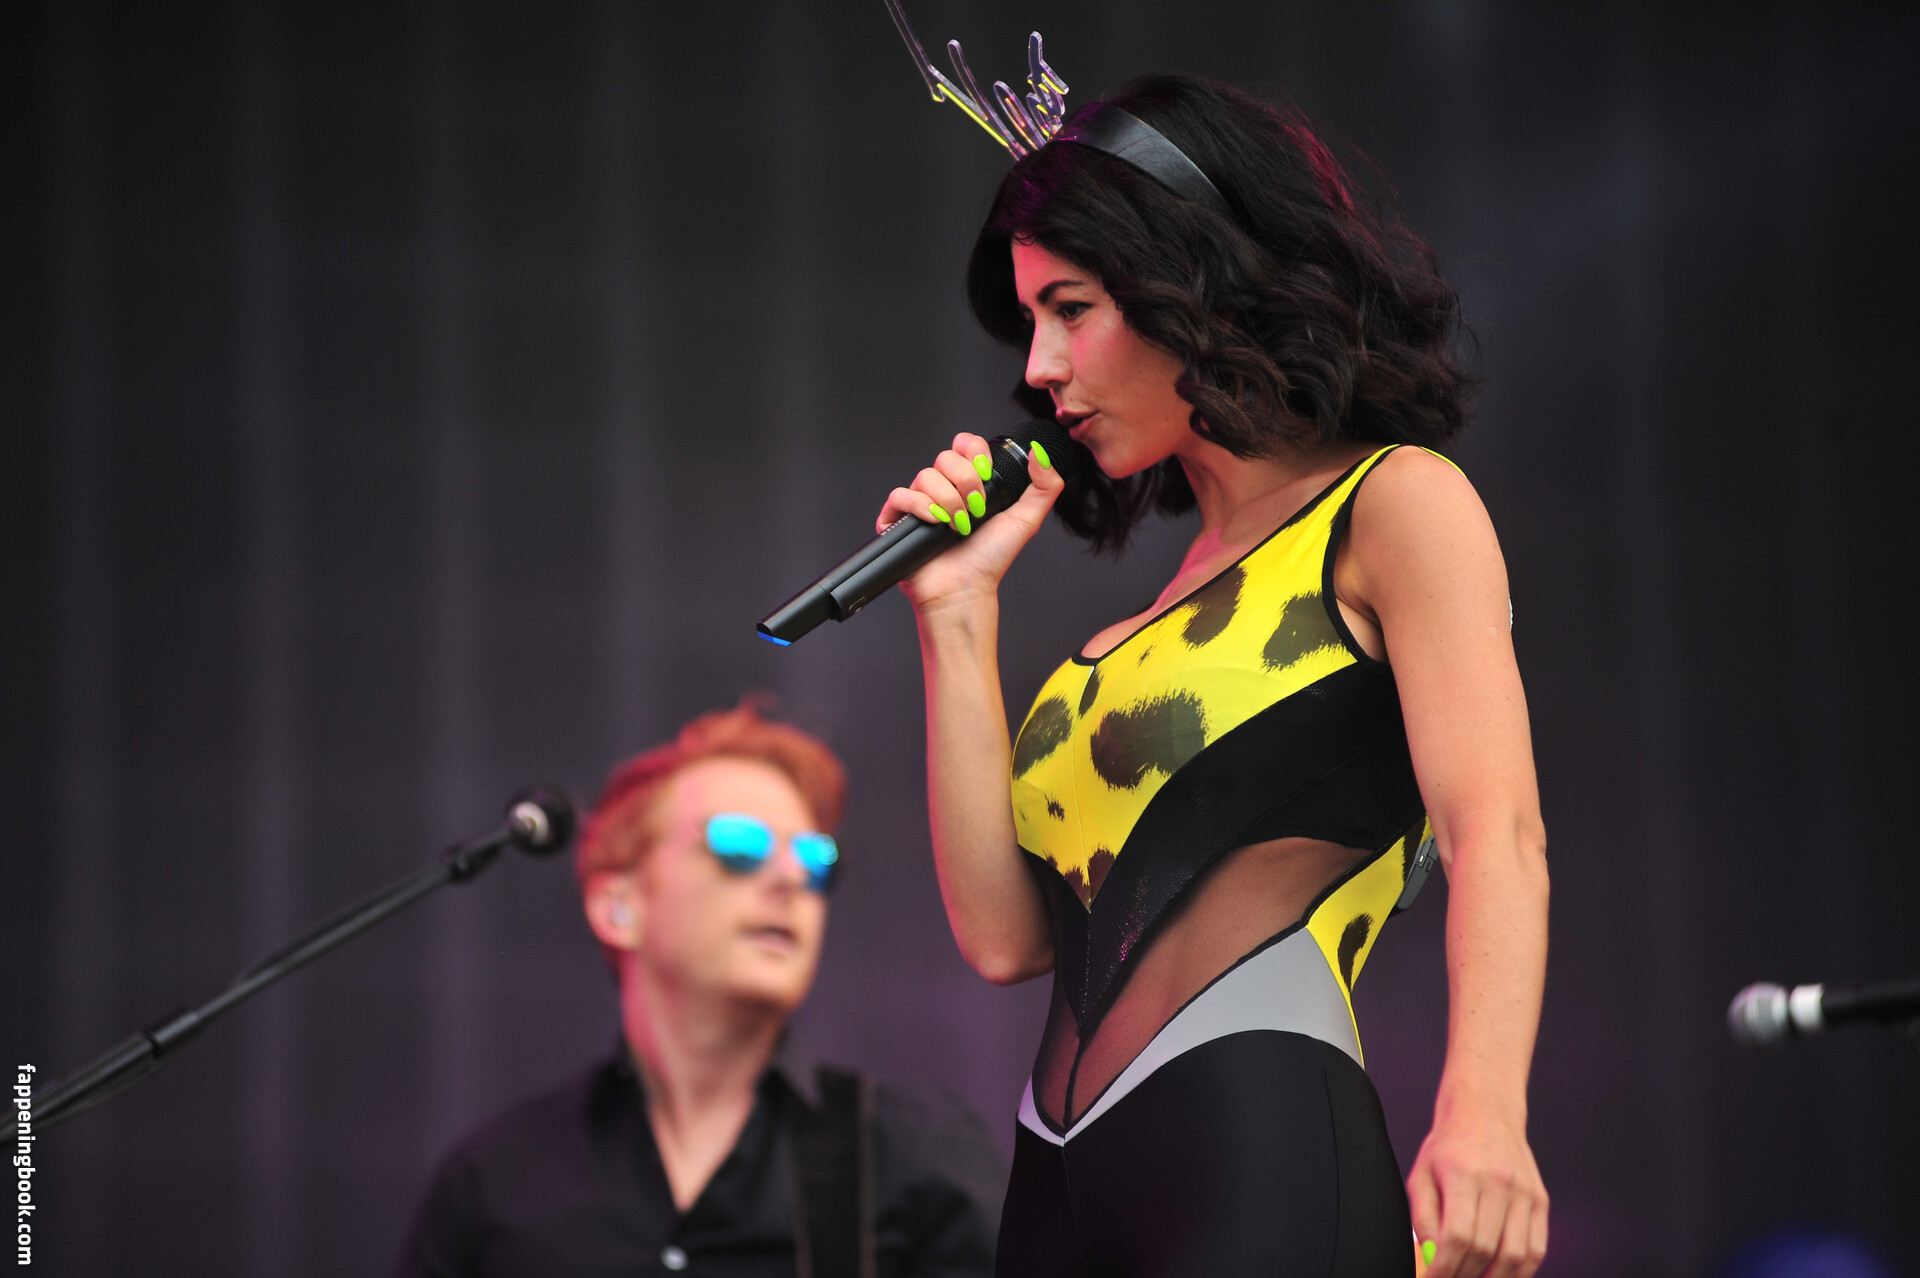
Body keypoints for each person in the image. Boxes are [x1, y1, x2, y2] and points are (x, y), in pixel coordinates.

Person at [875, 73, 1550, 1277]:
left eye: (1070, 309)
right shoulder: (1153, 606)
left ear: (1187, 278)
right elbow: (1003, 939)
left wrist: (1485, 1112)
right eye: (1029, 321)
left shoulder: (1394, 504)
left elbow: (1495, 829)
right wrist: (956, 615)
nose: (1039, 366)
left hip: (1253, 1142)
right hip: (1053, 1188)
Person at [394, 701, 1007, 1278]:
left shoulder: (918, 1157)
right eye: (740, 844)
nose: (790, 878)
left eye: (815, 859)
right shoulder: (497, 1182)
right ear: (617, 907)